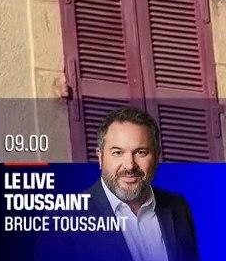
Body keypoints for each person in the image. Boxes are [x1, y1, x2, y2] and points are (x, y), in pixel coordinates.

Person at [34, 107, 200, 261]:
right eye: (118, 152)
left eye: (140, 152)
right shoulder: (64, 218)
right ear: (100, 157)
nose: (130, 165)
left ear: (156, 157)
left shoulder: (178, 208)